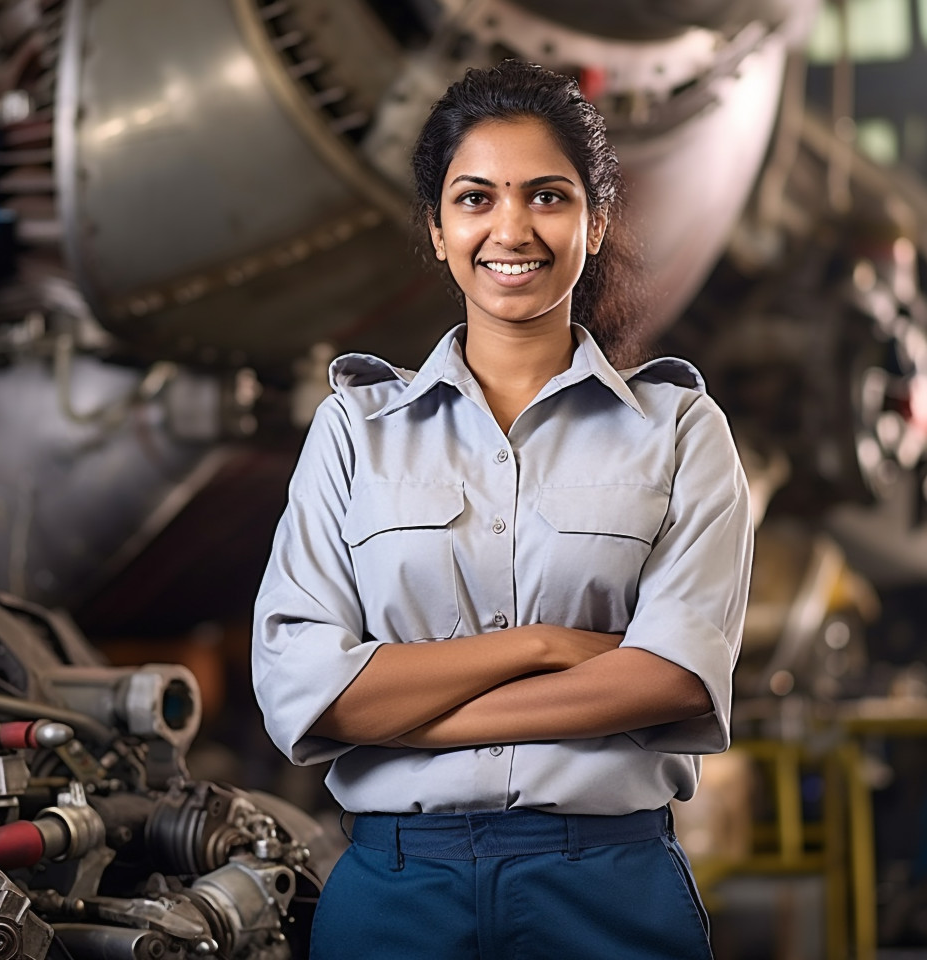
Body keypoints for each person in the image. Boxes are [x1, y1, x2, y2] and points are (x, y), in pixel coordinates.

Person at [253, 59, 753, 960]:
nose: (511, 227)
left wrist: (389, 708)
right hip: (396, 894)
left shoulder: (681, 431)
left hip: (609, 889)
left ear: (596, 224)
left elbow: (673, 679)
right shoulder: (352, 434)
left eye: (548, 197)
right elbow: (302, 687)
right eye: (475, 198)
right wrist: (546, 645)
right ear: (438, 232)